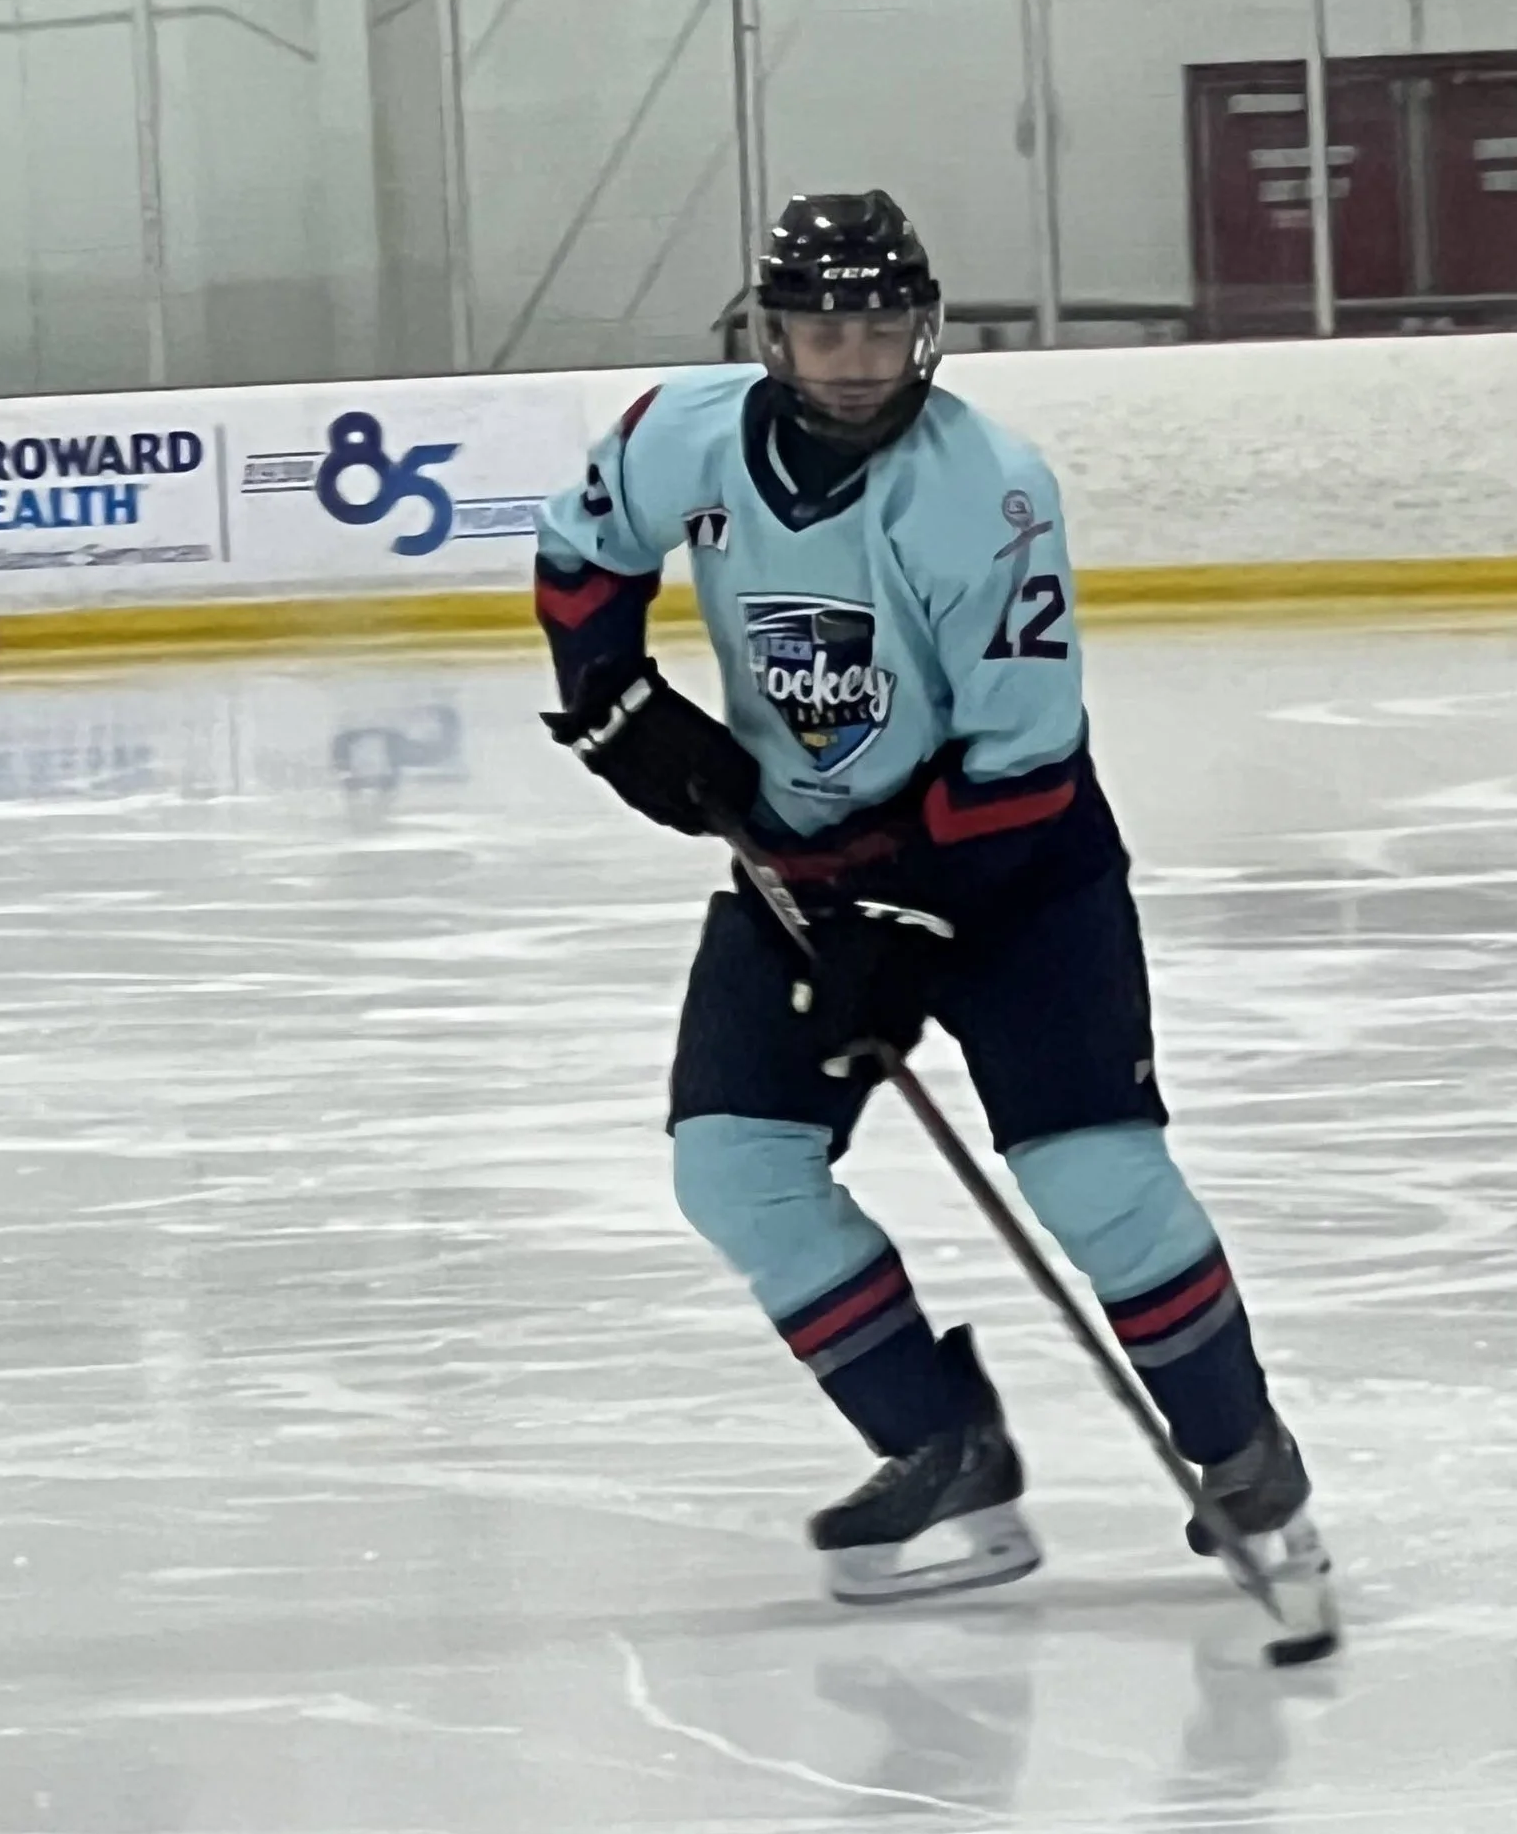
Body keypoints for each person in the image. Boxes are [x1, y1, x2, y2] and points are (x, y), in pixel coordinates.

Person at [535, 191, 1327, 1614]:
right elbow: (583, 558)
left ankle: (1241, 1456)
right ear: (769, 333)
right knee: (736, 1169)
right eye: (824, 328)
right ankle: (941, 1446)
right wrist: (613, 703)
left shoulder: (990, 493)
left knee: (1093, 1179)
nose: (854, 359)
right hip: (804, 869)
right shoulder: (683, 435)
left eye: (882, 328)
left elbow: (1022, 767)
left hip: (1020, 880)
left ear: (928, 332)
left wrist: (899, 932)